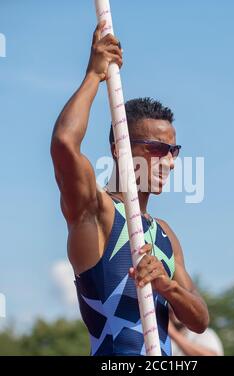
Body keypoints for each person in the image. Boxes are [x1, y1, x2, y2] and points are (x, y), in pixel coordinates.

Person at [50, 20, 209, 356]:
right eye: (157, 148)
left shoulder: (164, 233)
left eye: (174, 150)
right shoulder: (96, 211)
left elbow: (199, 319)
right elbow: (65, 142)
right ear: (120, 149)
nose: (169, 160)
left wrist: (166, 286)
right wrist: (94, 75)